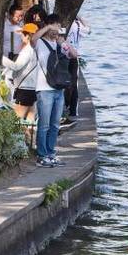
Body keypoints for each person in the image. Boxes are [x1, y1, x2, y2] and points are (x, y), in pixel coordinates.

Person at [33, 15, 78, 168]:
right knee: (44, 124)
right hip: (44, 89)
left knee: (54, 125)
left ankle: (51, 154)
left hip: (58, 89)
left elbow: (74, 55)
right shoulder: (40, 42)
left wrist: (63, 41)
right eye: (53, 27)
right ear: (47, 26)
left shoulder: (59, 44)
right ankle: (42, 155)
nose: (55, 31)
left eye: (58, 27)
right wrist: (47, 28)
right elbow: (33, 39)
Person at [3, 23, 40, 122]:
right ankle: (30, 137)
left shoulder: (27, 50)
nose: (21, 37)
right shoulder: (36, 49)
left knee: (17, 120)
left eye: (22, 34)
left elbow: (16, 66)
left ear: (28, 36)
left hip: (24, 89)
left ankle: (21, 137)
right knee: (30, 120)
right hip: (32, 88)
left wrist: (1, 58)